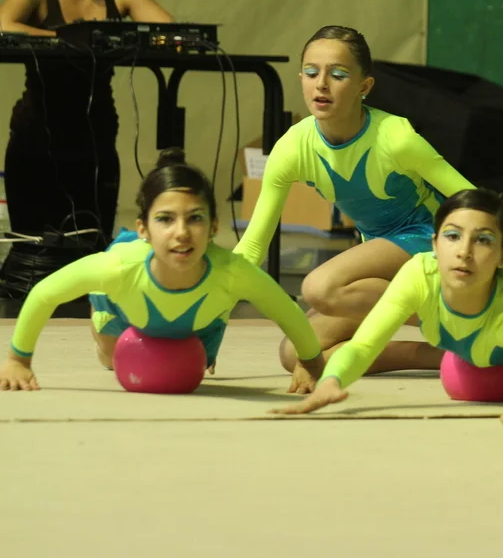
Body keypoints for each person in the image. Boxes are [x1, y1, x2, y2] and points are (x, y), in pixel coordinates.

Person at [271, 189, 503, 425]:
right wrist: (332, 382)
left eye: (482, 240)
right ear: (434, 244)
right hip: (484, 332)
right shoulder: (420, 273)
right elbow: (364, 345)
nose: (464, 251)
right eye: (452, 236)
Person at [235, 26, 476, 374]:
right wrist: (209, 302)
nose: (321, 84)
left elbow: (472, 202)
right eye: (311, 72)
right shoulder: (292, 147)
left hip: (429, 241)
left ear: (364, 86)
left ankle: (457, 317)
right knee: (298, 355)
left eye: (338, 75)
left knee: (321, 287)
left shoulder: (395, 137)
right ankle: (435, 356)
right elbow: (252, 246)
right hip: (379, 261)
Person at [0, 149, 325, 392]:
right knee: (112, 361)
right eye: (165, 219)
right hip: (124, 305)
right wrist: (18, 360)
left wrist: (310, 363)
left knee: (195, 361)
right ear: (143, 228)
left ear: (214, 226)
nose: (181, 232)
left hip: (202, 319)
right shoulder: (118, 268)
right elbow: (44, 294)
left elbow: (286, 312)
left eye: (195, 218)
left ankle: (209, 323)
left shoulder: (232, 273)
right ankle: (103, 325)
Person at [0, 0, 173, 245]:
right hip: (36, 142)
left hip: (96, 143)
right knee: (33, 254)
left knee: (92, 253)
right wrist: (68, 39)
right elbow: (4, 26)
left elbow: (168, 32)